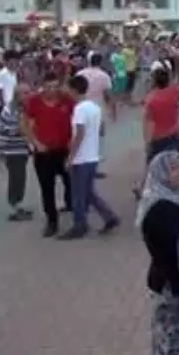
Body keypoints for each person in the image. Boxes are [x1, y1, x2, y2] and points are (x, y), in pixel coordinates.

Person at [138, 151, 179, 355]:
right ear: (161, 174)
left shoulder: (178, 199)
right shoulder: (159, 210)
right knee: (173, 341)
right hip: (172, 286)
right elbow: (174, 251)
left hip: (178, 283)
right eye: (174, 168)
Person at [60, 74, 120, 239]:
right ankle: (109, 216)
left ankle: (80, 224)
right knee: (88, 192)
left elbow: (79, 133)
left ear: (74, 90)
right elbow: (101, 130)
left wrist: (71, 157)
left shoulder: (79, 109)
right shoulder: (94, 107)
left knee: (79, 194)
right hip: (92, 155)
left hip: (82, 157)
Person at [23, 73, 75, 237]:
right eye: (48, 87)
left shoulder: (67, 101)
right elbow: (27, 126)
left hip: (64, 150)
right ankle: (52, 221)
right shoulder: (34, 102)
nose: (52, 90)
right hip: (44, 152)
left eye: (55, 86)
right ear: (42, 86)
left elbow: (76, 122)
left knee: (70, 182)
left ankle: (72, 206)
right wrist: (36, 144)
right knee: (47, 188)